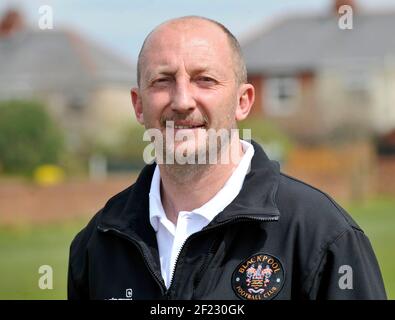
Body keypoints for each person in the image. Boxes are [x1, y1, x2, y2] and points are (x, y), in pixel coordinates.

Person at [68, 16, 387, 300]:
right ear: (138, 105)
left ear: (243, 101)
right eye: (162, 80)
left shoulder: (322, 235)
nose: (182, 101)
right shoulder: (100, 241)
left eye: (204, 79)